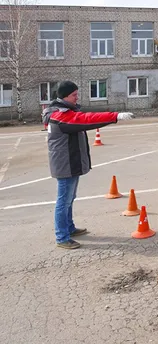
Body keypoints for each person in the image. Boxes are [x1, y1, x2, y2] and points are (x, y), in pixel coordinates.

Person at [42, 81, 135, 249]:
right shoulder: (60, 115)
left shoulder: (64, 112)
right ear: (64, 96)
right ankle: (62, 237)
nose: (77, 97)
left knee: (70, 198)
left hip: (70, 162)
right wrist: (115, 116)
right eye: (74, 95)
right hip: (65, 164)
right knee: (63, 201)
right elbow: (86, 119)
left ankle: (69, 228)